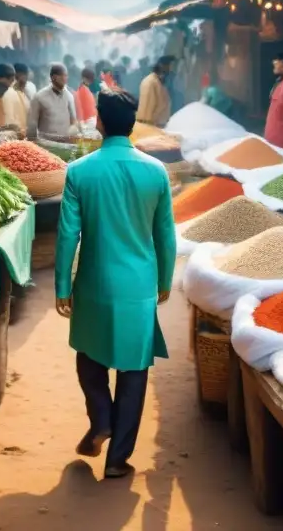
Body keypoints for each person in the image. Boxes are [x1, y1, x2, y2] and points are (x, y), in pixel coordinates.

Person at [55, 89, 176, 479]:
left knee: (89, 358)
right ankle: (118, 459)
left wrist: (62, 285)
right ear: (133, 123)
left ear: (99, 122)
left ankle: (101, 418)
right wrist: (166, 278)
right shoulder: (156, 171)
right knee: (134, 369)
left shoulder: (79, 172)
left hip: (94, 281)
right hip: (139, 284)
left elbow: (67, 236)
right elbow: (166, 234)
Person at [28, 63, 77, 140]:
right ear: (53, 77)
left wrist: (73, 133)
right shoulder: (39, 97)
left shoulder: (69, 96)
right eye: (63, 75)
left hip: (65, 144)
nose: (65, 78)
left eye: (66, 75)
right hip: (46, 143)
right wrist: (31, 143)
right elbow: (32, 124)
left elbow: (74, 121)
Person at [137, 56, 174, 127]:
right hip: (151, 125)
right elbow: (149, 106)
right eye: (170, 66)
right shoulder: (153, 82)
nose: (171, 69)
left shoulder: (155, 81)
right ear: (163, 66)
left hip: (152, 124)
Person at [2, 63, 32, 135]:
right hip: (13, 136)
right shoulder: (8, 94)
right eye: (26, 76)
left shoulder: (25, 93)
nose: (26, 79)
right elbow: (8, 122)